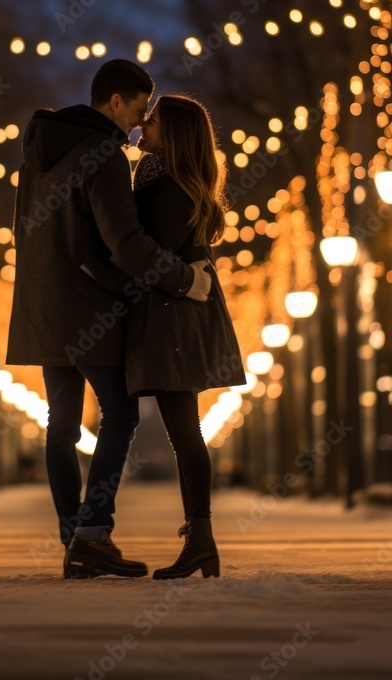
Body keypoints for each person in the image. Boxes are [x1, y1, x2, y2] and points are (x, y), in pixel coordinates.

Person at [5, 61, 212, 579]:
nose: (140, 124)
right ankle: (91, 535)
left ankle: (73, 536)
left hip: (41, 305)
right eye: (140, 109)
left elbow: (23, 232)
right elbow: (126, 243)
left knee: (62, 425)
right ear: (116, 101)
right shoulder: (103, 154)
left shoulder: (37, 152)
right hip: (91, 306)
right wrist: (185, 280)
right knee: (117, 416)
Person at [81, 94, 246, 579]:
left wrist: (96, 268)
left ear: (172, 134)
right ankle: (200, 540)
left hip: (176, 317)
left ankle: (201, 538)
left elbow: (148, 256)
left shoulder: (170, 186)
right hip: (174, 313)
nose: (142, 126)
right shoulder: (162, 179)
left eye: (152, 121)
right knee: (184, 430)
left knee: (184, 430)